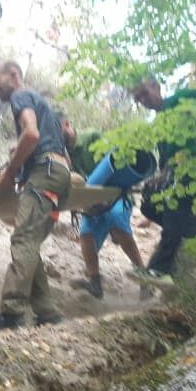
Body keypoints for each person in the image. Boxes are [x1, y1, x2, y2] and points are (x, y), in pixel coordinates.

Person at [0, 61, 71, 330]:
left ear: (14, 75)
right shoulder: (46, 106)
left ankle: (12, 313)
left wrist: (10, 171)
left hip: (45, 173)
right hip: (59, 176)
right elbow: (61, 145)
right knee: (30, 241)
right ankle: (47, 311)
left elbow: (30, 134)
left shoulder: (21, 96)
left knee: (23, 239)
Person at [129, 76, 196, 288]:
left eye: (144, 93)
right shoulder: (158, 126)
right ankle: (174, 277)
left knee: (177, 219)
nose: (142, 100)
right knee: (153, 206)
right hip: (182, 186)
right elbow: (166, 165)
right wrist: (157, 177)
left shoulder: (179, 100)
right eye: (138, 98)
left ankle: (159, 269)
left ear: (156, 86)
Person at [62, 119, 149, 299]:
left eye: (58, 127)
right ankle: (95, 284)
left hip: (116, 194)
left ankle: (144, 280)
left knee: (117, 223)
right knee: (86, 235)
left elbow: (115, 164)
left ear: (67, 123)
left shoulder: (92, 137)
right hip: (92, 200)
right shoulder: (64, 153)